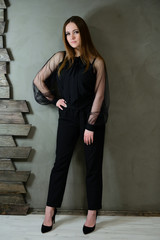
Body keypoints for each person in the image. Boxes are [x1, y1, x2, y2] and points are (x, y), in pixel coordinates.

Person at [33, 16, 109, 235]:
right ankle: (49, 212)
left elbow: (100, 95)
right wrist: (54, 98)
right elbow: (39, 80)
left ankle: (92, 213)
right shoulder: (60, 58)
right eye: (68, 33)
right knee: (60, 165)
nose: (71, 37)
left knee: (92, 167)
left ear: (83, 33)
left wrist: (90, 125)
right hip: (67, 118)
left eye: (75, 32)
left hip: (90, 120)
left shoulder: (97, 62)